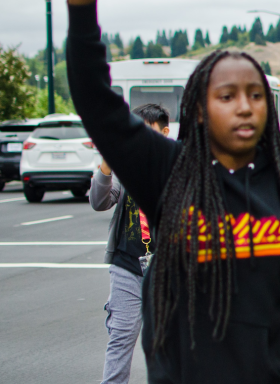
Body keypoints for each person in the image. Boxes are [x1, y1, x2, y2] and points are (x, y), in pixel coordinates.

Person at [63, 0, 280, 382]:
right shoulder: (170, 176)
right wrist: (82, 9)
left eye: (255, 95)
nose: (245, 107)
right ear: (198, 110)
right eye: (227, 96)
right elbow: (100, 109)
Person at [90, 103, 169, 384]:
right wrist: (107, 162)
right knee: (120, 340)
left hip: (167, 271)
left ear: (165, 132)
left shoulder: (175, 166)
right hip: (127, 266)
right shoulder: (123, 167)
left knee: (169, 344)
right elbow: (99, 202)